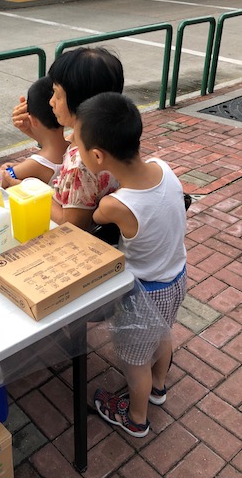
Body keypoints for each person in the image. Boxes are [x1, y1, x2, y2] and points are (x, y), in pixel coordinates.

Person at [74, 92, 187, 437]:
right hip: (177, 278)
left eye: (77, 146)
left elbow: (93, 216)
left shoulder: (116, 206)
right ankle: (158, 387)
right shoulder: (163, 168)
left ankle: (136, 419)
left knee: (133, 361)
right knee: (163, 334)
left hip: (144, 296)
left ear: (97, 155)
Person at [12, 47, 124, 231]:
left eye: (57, 94)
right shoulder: (113, 133)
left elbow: (72, 225)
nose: (51, 102)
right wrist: (33, 131)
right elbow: (65, 148)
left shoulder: (81, 163)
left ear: (79, 102)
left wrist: (28, 189)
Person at [0, 76, 69, 188]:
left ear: (31, 119)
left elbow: (2, 183)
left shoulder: (35, 164)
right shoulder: (75, 148)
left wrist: (13, 170)